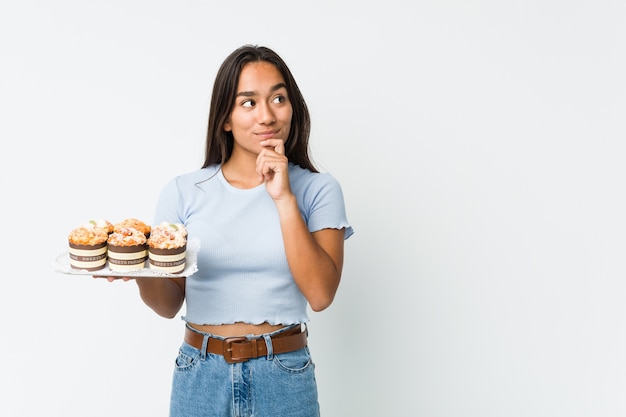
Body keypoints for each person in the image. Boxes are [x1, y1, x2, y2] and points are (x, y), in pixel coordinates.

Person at [104, 44, 353, 417]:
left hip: (283, 374)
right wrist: (140, 272)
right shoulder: (183, 191)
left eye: (278, 98)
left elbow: (320, 294)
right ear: (225, 118)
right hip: (201, 373)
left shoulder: (319, 189)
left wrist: (283, 198)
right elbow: (168, 304)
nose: (266, 116)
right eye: (248, 102)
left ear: (292, 108)